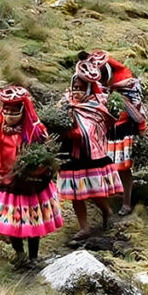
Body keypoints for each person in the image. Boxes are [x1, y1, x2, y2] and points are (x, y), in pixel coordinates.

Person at [0, 86, 64, 268]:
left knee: (32, 221)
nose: (9, 114)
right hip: (7, 184)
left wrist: (36, 169)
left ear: (23, 109)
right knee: (12, 222)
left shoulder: (36, 130)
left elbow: (48, 153)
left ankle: (33, 257)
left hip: (30, 185)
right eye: (6, 110)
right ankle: (20, 254)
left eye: (14, 110)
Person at [58, 61, 124, 240]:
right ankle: (84, 227)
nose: (76, 91)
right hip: (71, 155)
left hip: (91, 156)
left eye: (81, 88)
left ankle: (107, 210)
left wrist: (69, 132)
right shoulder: (64, 104)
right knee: (76, 194)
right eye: (74, 87)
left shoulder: (97, 107)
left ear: (88, 89)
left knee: (93, 190)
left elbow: (88, 132)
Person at [82, 49, 146, 216]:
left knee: (123, 168)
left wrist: (141, 129)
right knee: (104, 167)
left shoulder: (127, 82)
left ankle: (126, 201)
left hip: (123, 129)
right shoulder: (92, 85)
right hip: (103, 130)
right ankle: (110, 197)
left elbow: (137, 105)